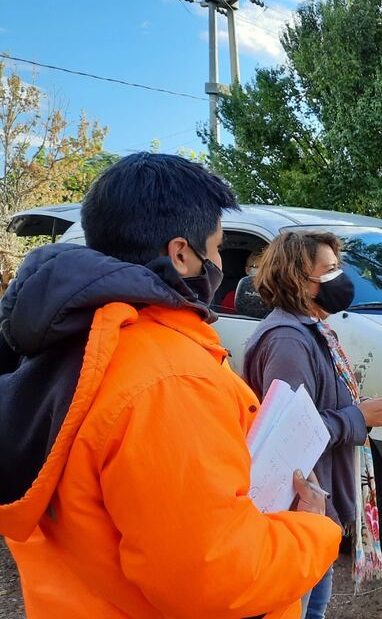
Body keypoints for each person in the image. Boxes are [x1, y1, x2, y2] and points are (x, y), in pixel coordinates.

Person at [0, 153, 340, 618]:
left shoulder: (79, 339)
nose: (221, 263)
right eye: (218, 248)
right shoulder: (169, 380)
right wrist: (312, 529)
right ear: (182, 253)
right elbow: (215, 576)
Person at [243, 230, 382, 619]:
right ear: (297, 279)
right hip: (296, 517)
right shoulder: (288, 341)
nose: (340, 279)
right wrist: (357, 418)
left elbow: (311, 409)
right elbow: (291, 436)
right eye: (328, 271)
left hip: (311, 514)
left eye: (338, 267)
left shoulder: (313, 330)